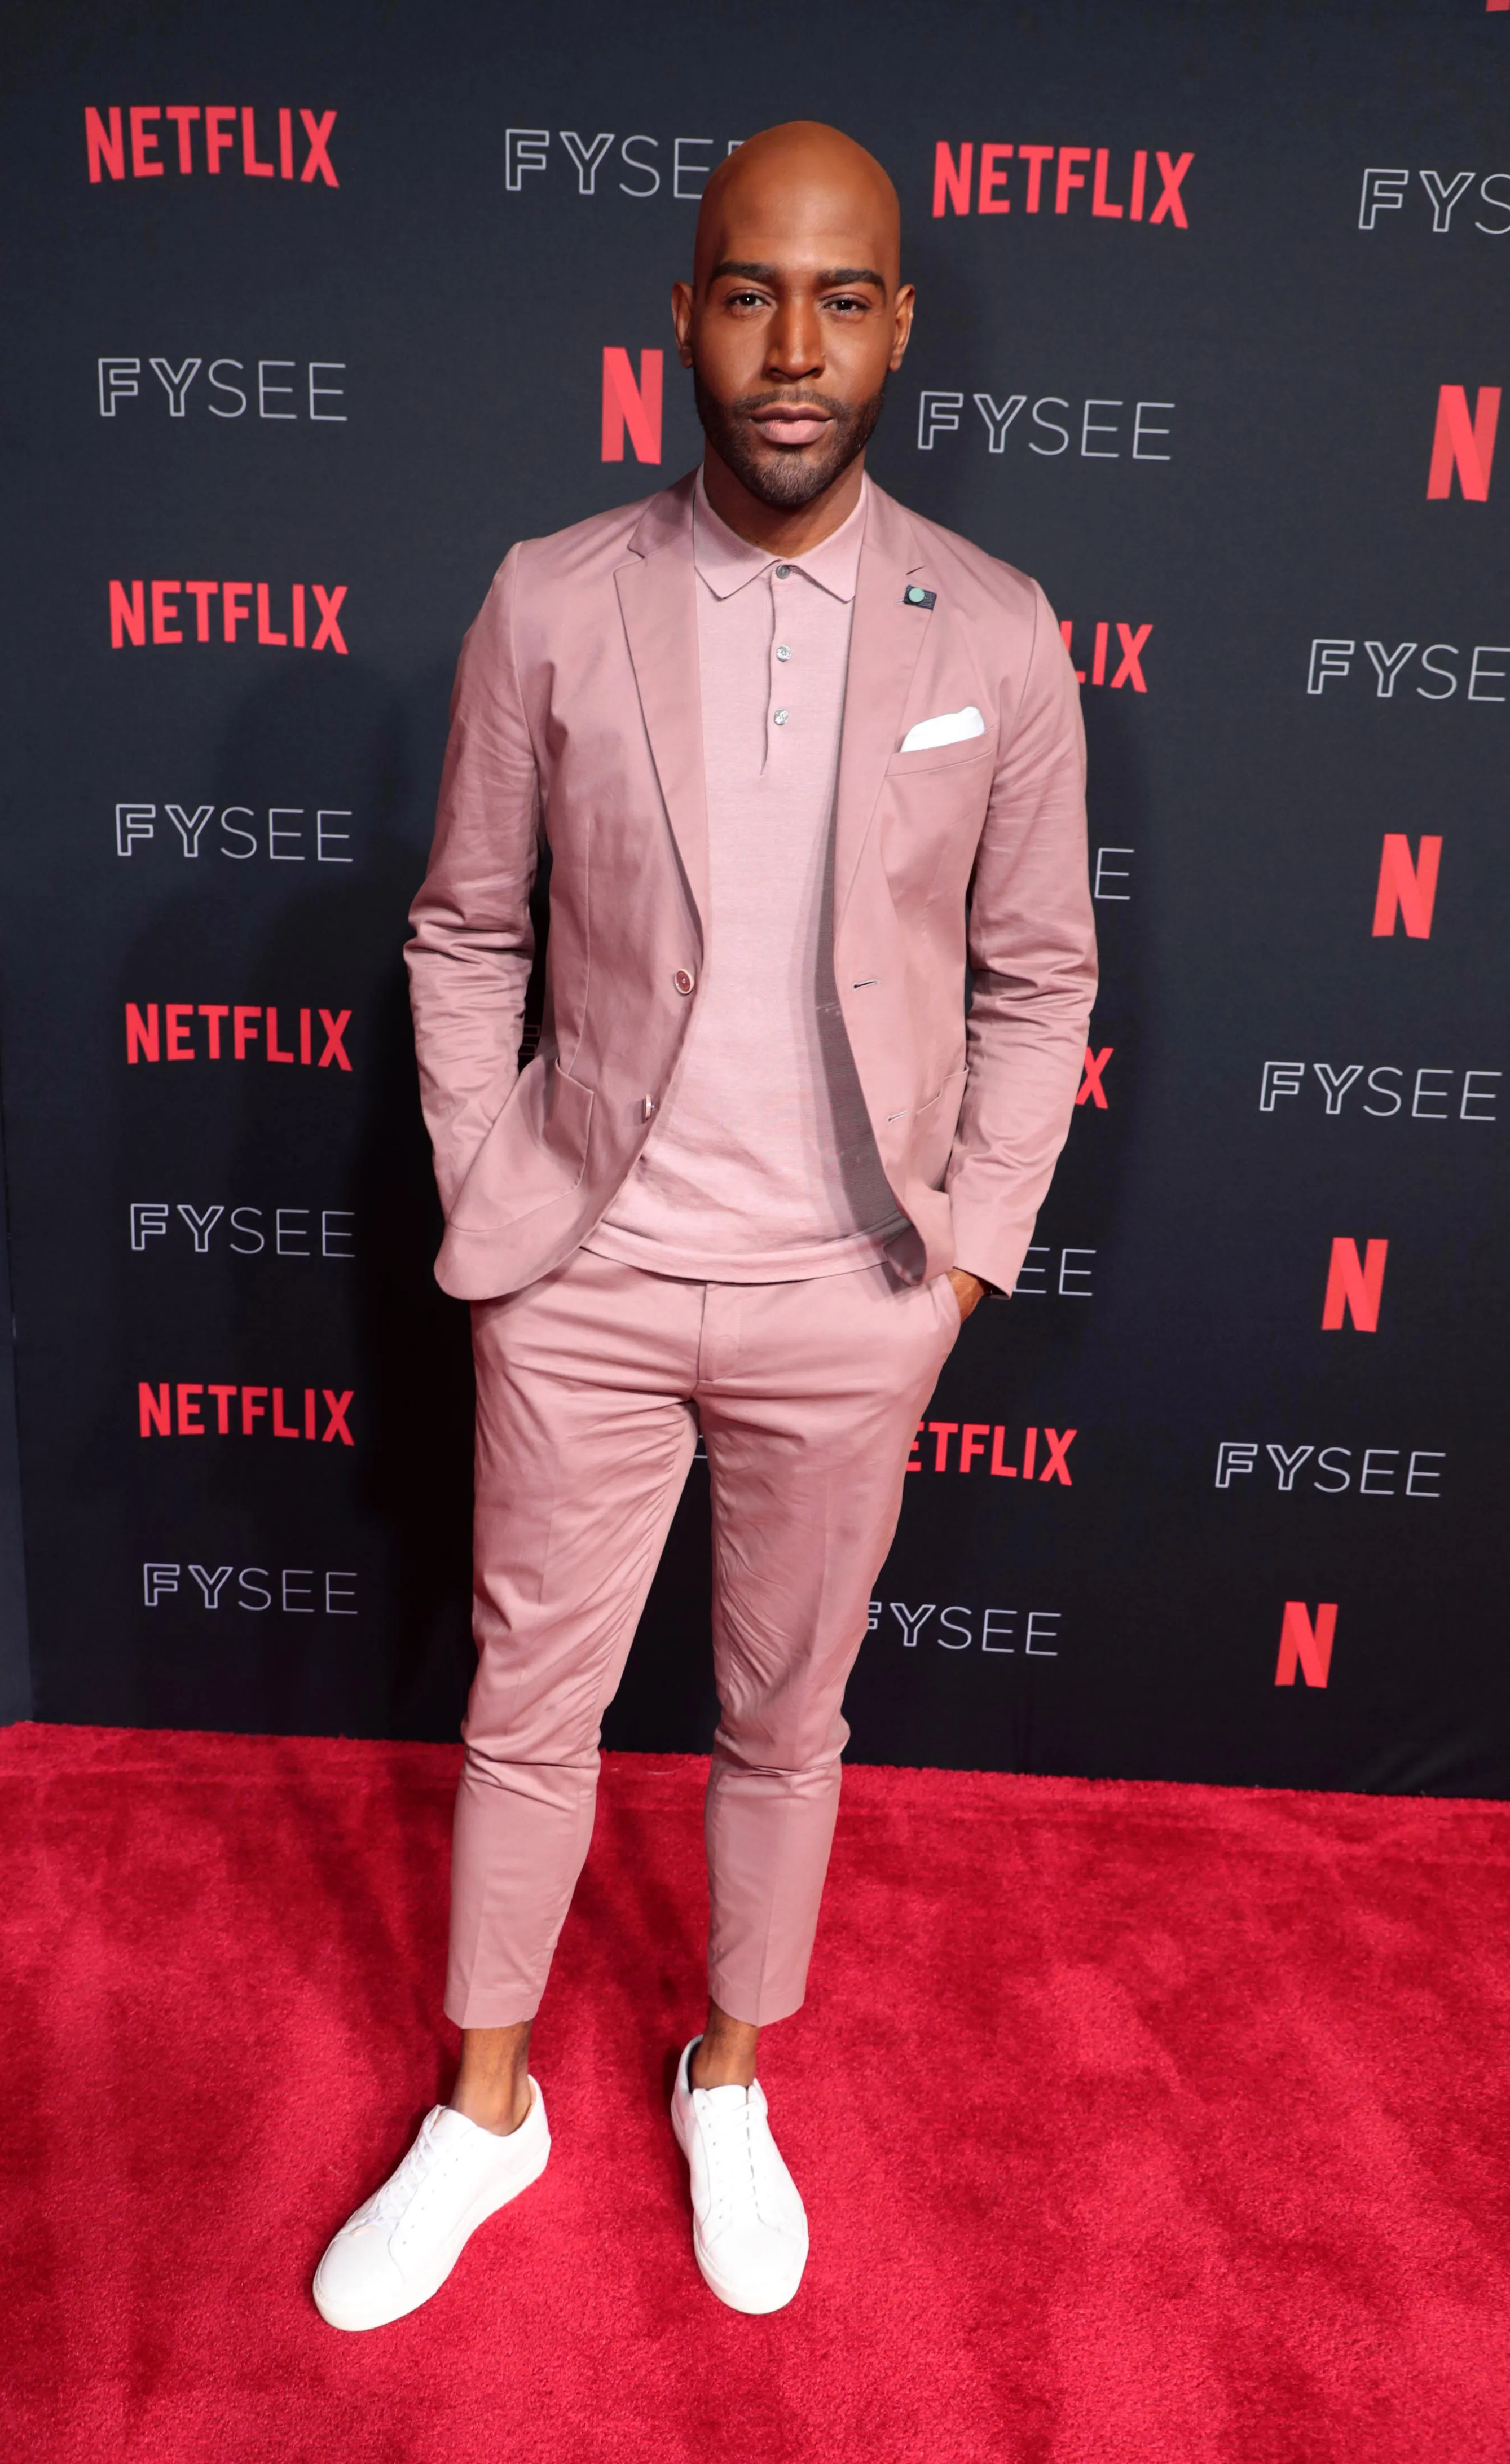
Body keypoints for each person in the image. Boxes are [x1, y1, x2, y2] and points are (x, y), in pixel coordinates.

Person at [314, 118, 1095, 2329]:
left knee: (784, 1725)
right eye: (748, 290)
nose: (790, 345)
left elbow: (1039, 978)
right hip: (582, 1287)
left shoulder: (1002, 635)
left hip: (847, 1300)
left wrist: (959, 1261)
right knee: (520, 1719)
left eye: (839, 299)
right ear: (679, 312)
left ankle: (722, 2072)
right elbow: (464, 931)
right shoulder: (551, 597)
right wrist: (500, 1198)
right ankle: (485, 2108)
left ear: (898, 332)